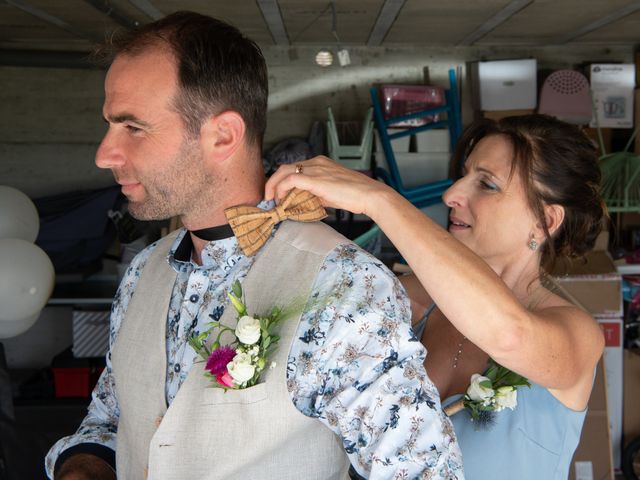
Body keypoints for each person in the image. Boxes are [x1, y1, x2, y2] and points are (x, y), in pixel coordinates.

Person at [45, 11, 463, 480]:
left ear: (223, 135)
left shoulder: (341, 282)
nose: (105, 154)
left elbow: (422, 471)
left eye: (133, 128)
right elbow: (110, 421)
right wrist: (82, 468)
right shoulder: (144, 269)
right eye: (110, 126)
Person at [265, 114, 606, 479]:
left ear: (546, 221)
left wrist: (379, 199)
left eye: (486, 184)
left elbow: (510, 334)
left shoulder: (577, 336)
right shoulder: (408, 299)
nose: (451, 194)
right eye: (464, 174)